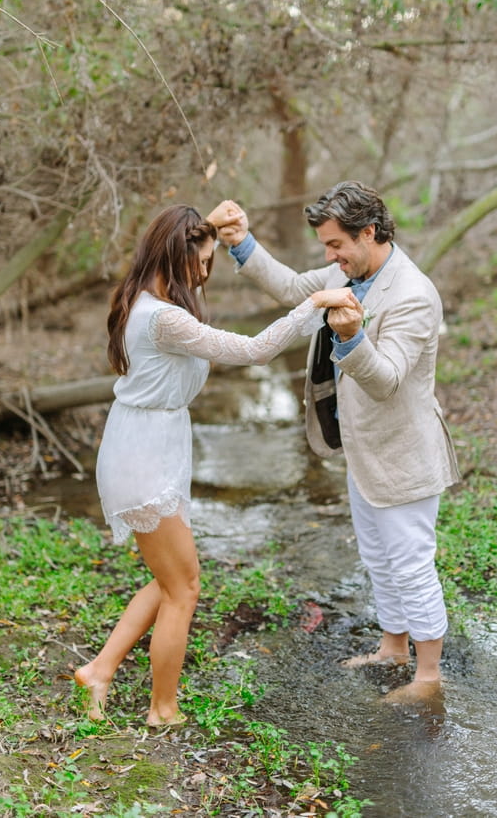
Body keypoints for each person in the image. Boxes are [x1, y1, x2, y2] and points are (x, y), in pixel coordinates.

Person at [74, 202, 353, 727]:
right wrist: (314, 303)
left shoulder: (144, 298)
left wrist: (219, 231)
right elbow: (253, 350)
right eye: (202, 262)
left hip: (146, 441)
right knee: (185, 587)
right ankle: (163, 709)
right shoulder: (164, 319)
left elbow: (191, 257)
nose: (204, 273)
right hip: (144, 452)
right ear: (180, 254)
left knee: (168, 579)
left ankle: (100, 670)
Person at [210, 181, 460, 706]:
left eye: (335, 244)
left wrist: (350, 338)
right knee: (377, 556)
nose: (329, 257)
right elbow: (293, 287)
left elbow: (387, 379)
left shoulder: (413, 294)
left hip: (404, 453)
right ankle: (393, 647)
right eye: (325, 246)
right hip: (361, 448)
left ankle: (429, 677)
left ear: (368, 232)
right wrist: (241, 241)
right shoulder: (351, 270)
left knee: (412, 561)